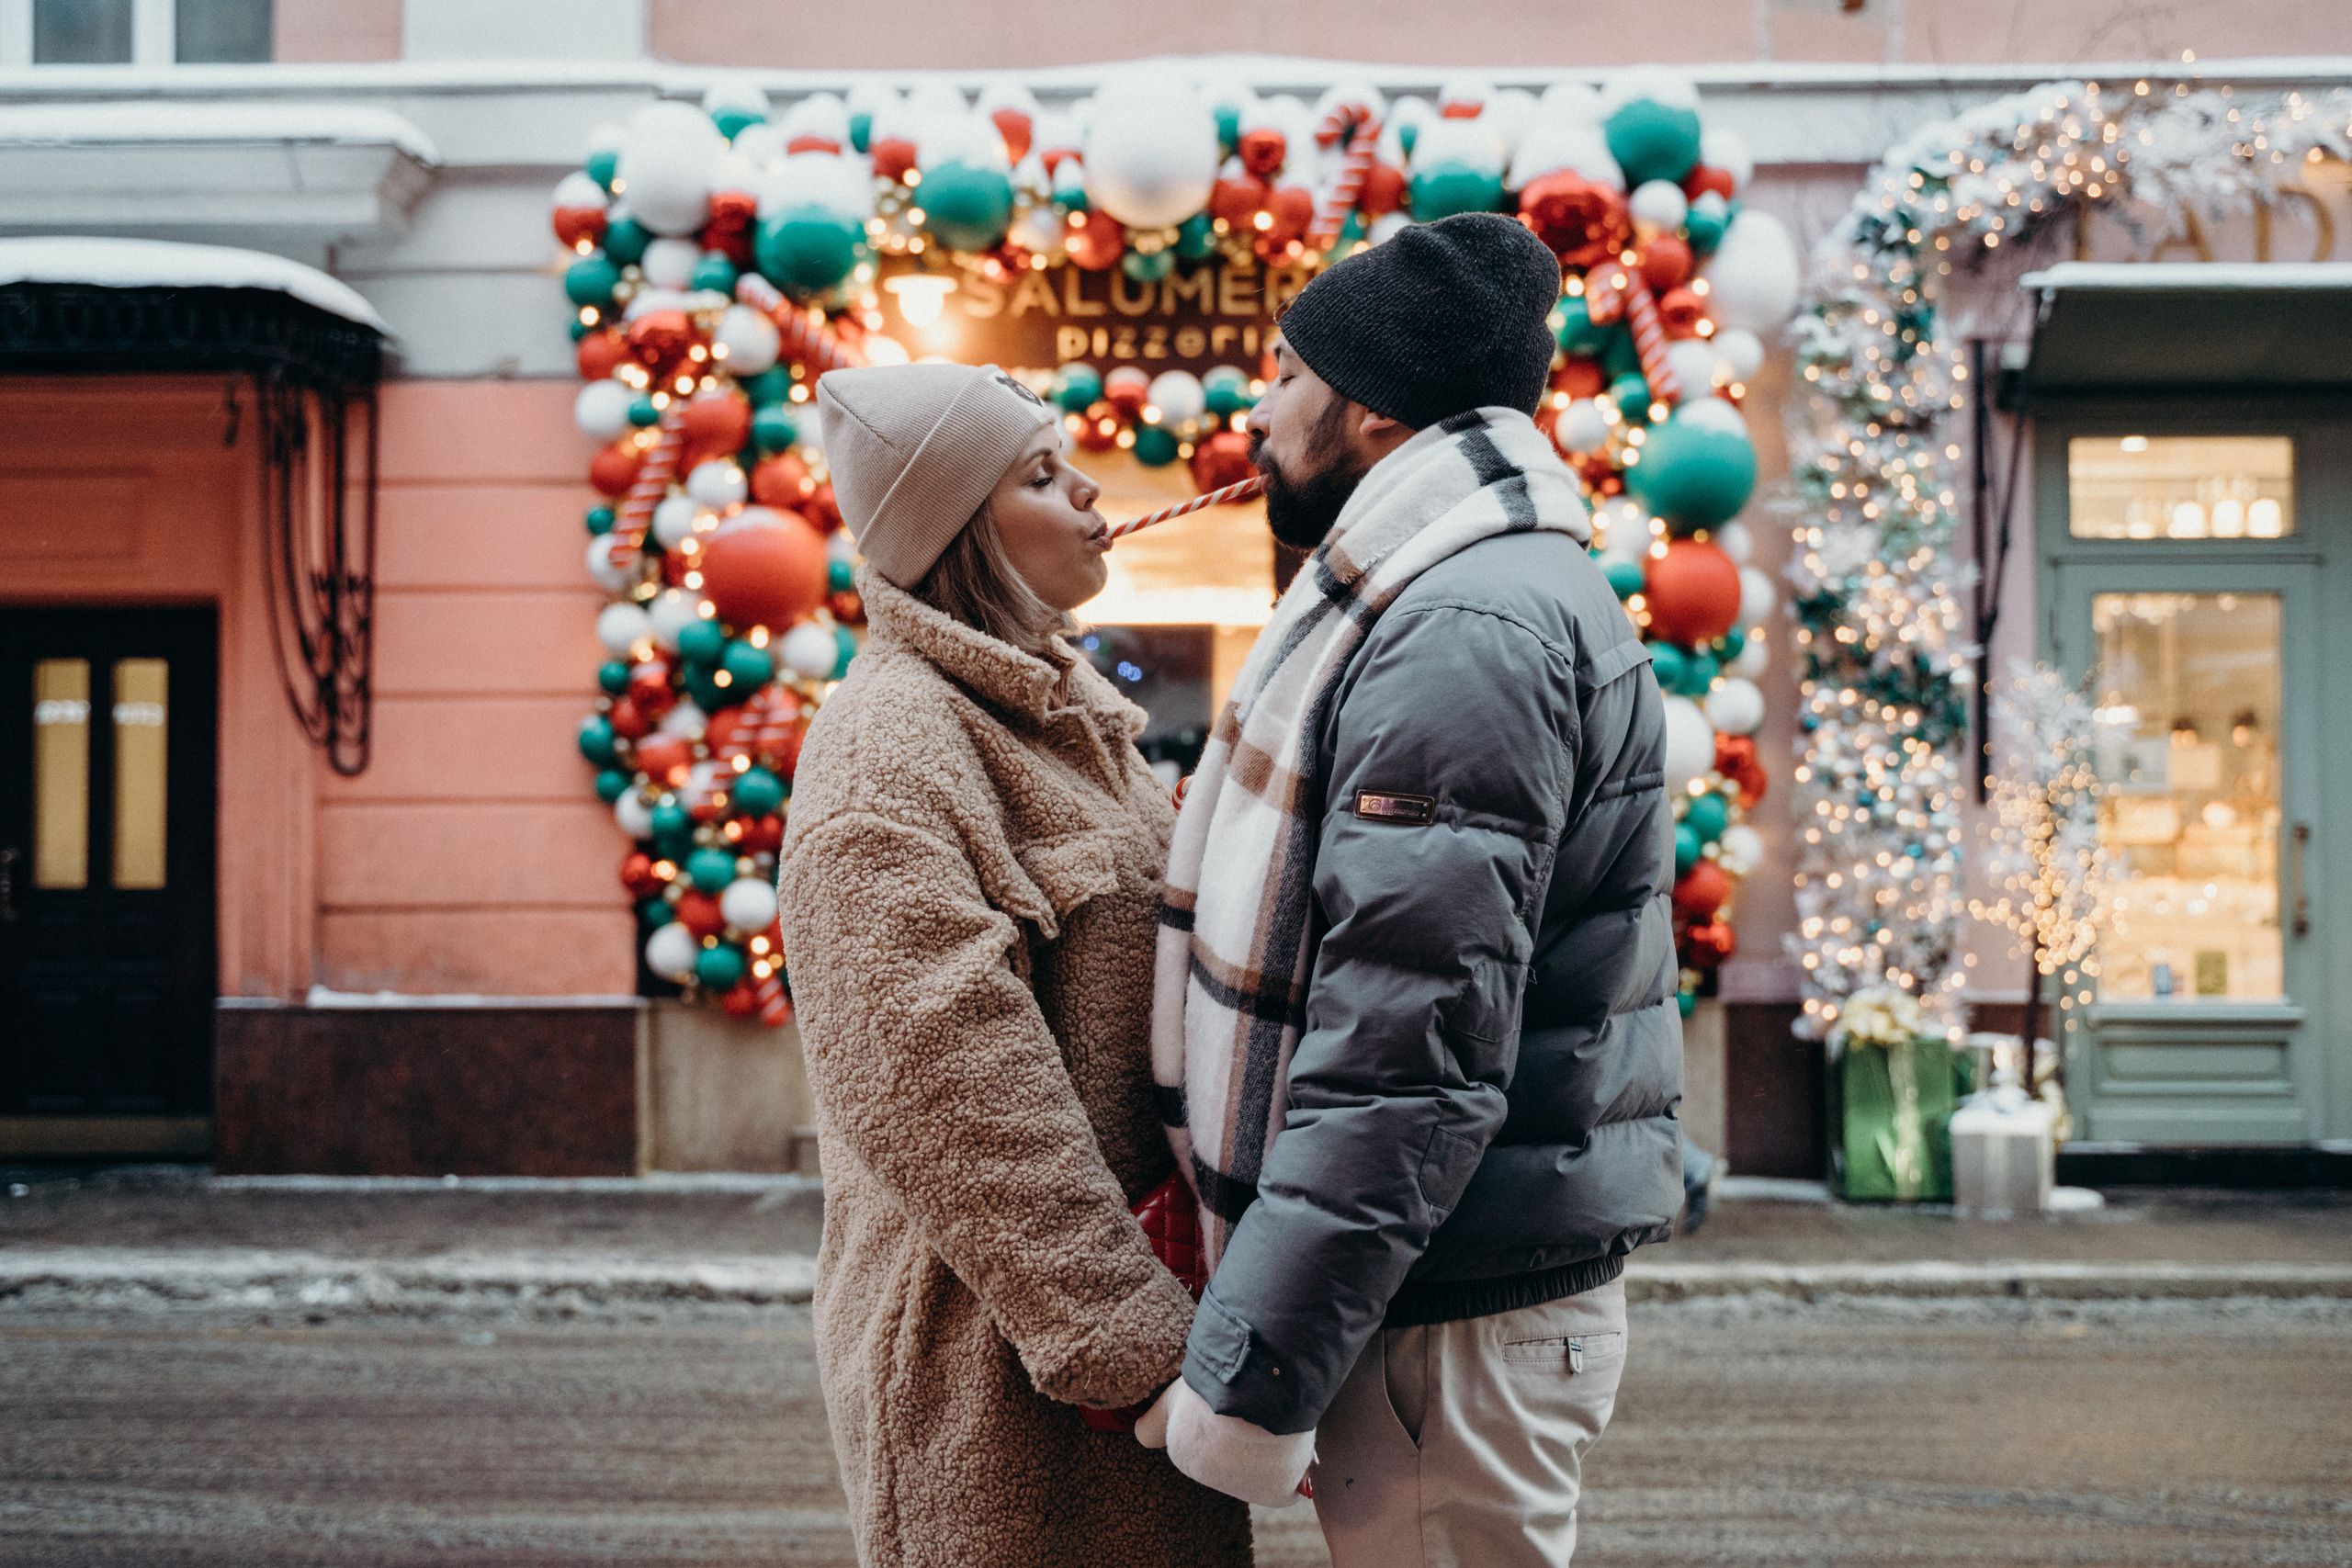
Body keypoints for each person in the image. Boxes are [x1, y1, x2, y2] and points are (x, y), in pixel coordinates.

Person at [1136, 212, 1686, 1565]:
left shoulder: (1458, 629)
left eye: (1286, 376)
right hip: (1448, 1280)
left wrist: (1256, 1367)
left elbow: (1407, 1053)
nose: (1260, 412)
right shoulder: (1471, 588)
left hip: (1449, 1315)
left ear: (1373, 407)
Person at [777, 363, 1250, 1567]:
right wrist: (1132, 1347)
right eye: (1040, 475)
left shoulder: (1065, 720)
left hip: (1138, 1331)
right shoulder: (891, 751)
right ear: (960, 530)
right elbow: (949, 1092)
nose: (1089, 489)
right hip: (1000, 1377)